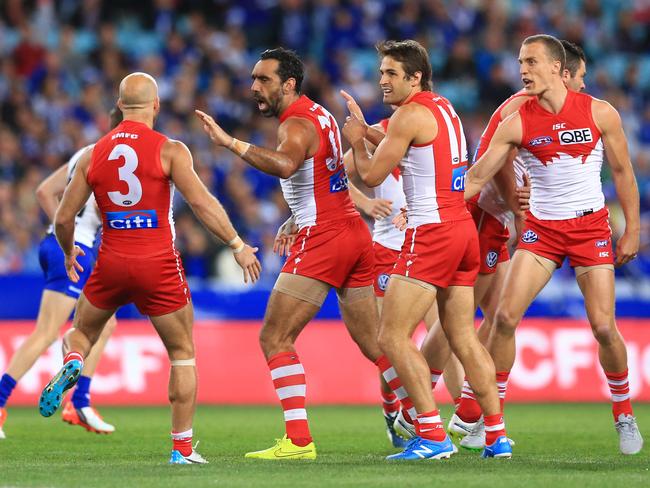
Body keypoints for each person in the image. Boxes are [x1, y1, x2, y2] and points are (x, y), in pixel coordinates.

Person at [38, 72, 261, 464]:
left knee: (80, 334)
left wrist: (70, 250)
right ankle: (182, 449)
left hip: (110, 259)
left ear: (120, 105)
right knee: (182, 353)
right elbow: (203, 204)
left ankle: (73, 361)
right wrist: (237, 245)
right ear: (156, 105)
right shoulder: (171, 149)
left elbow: (62, 216)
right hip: (157, 262)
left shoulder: (94, 153)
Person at [196, 48, 385, 460]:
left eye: (263, 80)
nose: (253, 88)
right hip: (352, 230)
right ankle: (421, 424)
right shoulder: (318, 113)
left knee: (275, 336)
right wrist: (296, 215)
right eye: (253, 79)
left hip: (325, 238)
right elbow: (326, 175)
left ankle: (299, 441)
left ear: (289, 84)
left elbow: (285, 166)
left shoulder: (295, 125)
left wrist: (230, 142)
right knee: (377, 344)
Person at [465, 34, 643, 455]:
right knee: (505, 318)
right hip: (541, 232)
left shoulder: (600, 113)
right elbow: (477, 176)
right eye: (520, 62)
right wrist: (432, 204)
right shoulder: (517, 121)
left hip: (590, 229)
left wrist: (632, 229)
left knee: (603, 326)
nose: (522, 70)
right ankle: (493, 420)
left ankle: (624, 413)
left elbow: (623, 173)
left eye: (530, 61)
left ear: (556, 68)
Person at [342, 39, 511, 460]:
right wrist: (375, 132)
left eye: (391, 73)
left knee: (391, 334)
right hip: (462, 230)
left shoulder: (407, 115)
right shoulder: (445, 108)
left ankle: (432, 435)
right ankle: (496, 435)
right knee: (463, 338)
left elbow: (370, 173)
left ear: (415, 77)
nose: (382, 80)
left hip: (430, 232)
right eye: (381, 72)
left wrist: (358, 139)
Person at [449, 39, 589, 451]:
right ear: (563, 72)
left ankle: (472, 412)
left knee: (497, 315)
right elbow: (496, 166)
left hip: (497, 218)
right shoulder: (520, 107)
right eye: (581, 78)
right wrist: (518, 209)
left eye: (530, 61)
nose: (583, 85)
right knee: (458, 318)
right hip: (482, 214)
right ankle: (424, 408)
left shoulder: (557, 111)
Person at [0, 109, 125, 440]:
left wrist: (61, 226)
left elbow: (44, 191)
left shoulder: (84, 153)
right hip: (75, 250)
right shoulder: (115, 163)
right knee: (46, 333)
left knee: (105, 323)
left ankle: (80, 402)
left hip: (53, 243)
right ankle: (1, 403)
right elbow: (108, 215)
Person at [341, 116, 463, 448]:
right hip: (388, 251)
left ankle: (463, 418)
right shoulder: (373, 133)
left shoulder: (434, 129)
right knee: (393, 342)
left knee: (445, 333)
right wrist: (365, 202)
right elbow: (333, 175)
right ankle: (394, 409)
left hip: (427, 247)